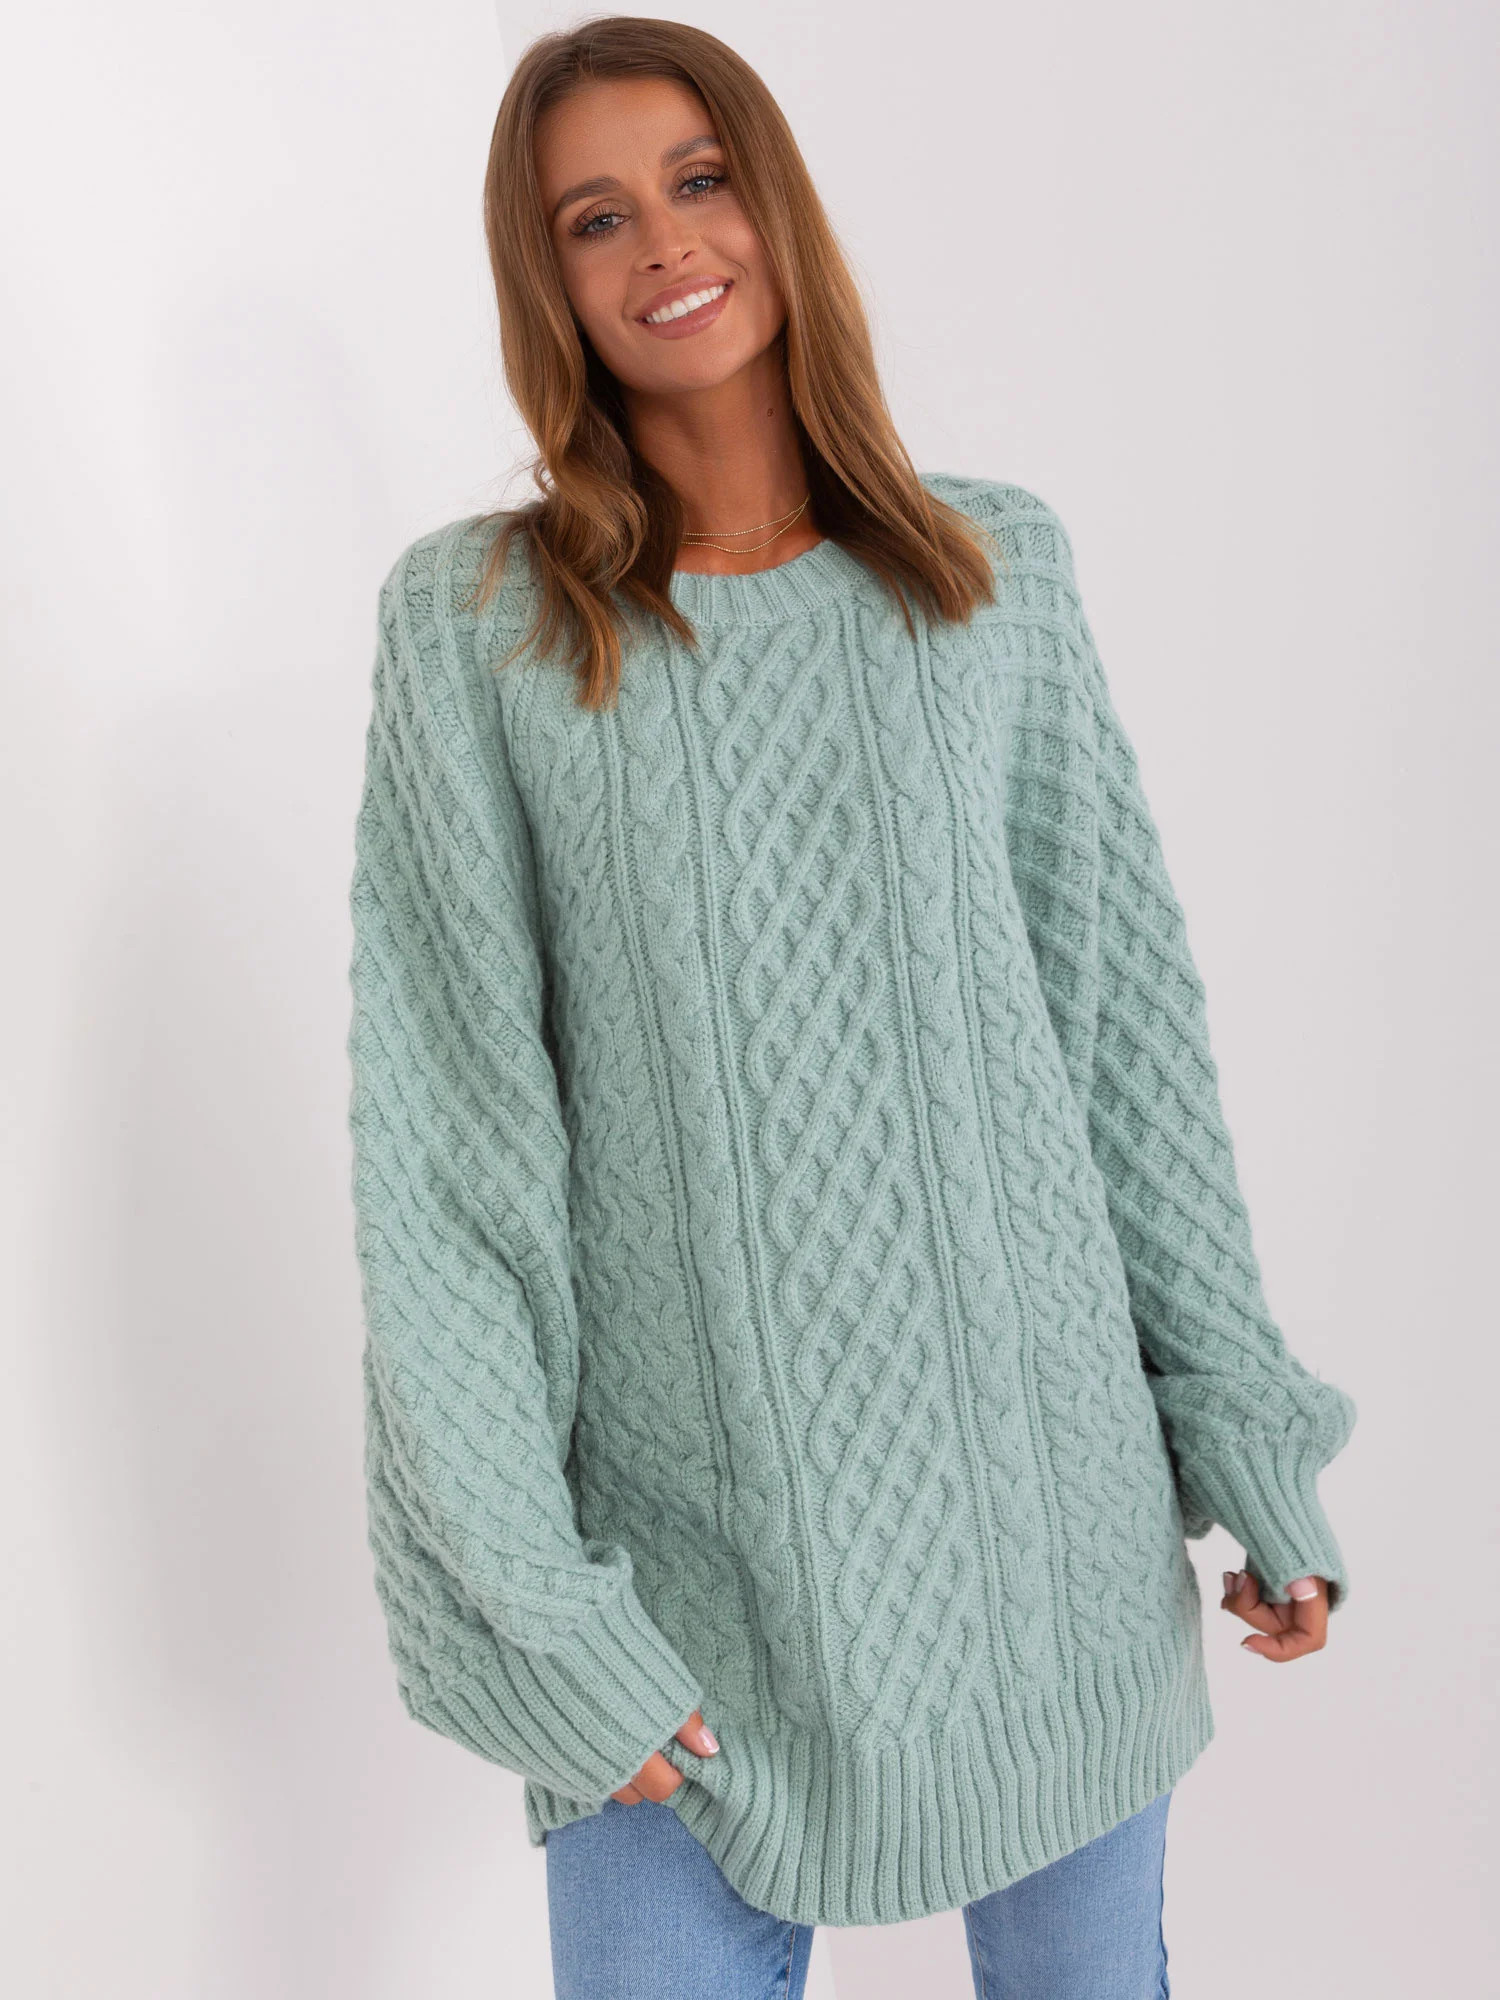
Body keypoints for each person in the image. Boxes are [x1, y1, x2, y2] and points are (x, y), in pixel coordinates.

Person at [344, 17, 1358, 1998]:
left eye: (699, 179)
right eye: (594, 217)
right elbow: (450, 1163)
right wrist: (543, 1615)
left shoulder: (991, 573)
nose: (663, 241)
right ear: (546, 281)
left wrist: (1244, 1437)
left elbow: (1123, 1046)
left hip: (1050, 1538)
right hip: (683, 1592)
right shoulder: (480, 627)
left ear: (776, 203)